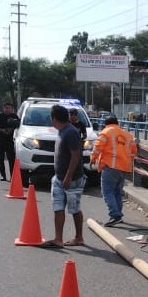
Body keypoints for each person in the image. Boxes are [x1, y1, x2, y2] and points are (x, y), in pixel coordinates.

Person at [41, 104, 86, 248]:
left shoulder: (70, 132)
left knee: (74, 209)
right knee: (58, 207)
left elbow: (76, 155)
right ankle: (58, 239)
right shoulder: (62, 130)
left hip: (72, 179)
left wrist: (68, 176)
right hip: (59, 177)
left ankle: (79, 237)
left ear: (53, 118)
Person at [92, 115, 137, 226]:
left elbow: (97, 147)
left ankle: (115, 215)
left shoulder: (106, 132)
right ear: (117, 123)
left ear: (106, 124)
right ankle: (118, 214)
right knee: (117, 192)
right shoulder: (128, 135)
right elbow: (133, 151)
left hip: (110, 166)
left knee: (107, 192)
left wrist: (93, 158)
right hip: (124, 168)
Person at [0, 101, 20, 181]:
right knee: (0, 159)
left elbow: (18, 125)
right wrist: (2, 130)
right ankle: (3, 175)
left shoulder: (14, 116)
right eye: (6, 108)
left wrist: (11, 130)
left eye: (9, 108)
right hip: (0, 140)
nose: (7, 109)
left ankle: (12, 176)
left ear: (12, 109)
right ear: (3, 108)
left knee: (11, 159)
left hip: (10, 141)